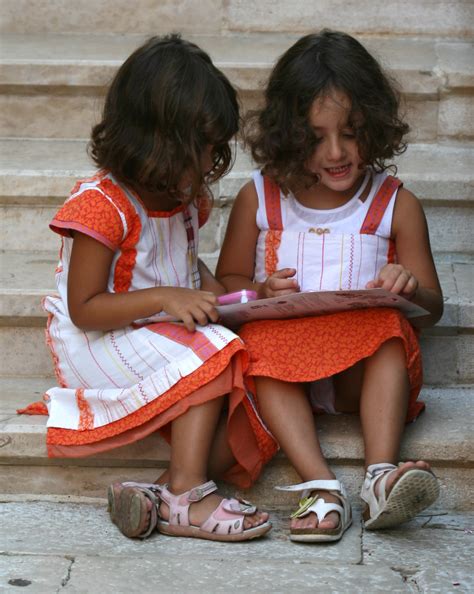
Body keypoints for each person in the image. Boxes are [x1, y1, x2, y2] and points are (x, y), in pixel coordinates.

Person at [39, 34, 275, 542]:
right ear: (158, 141)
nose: (213, 161)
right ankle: (189, 493)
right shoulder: (103, 205)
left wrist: (253, 294)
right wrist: (167, 300)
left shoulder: (183, 199)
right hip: (100, 341)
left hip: (156, 331)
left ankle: (160, 493)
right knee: (215, 353)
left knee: (253, 385)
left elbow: (194, 278)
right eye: (205, 148)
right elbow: (84, 308)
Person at [216, 30, 443, 543]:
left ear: (376, 124)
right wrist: (259, 289)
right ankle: (319, 486)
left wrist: (408, 290)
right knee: (257, 343)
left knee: (387, 326)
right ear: (288, 135)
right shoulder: (261, 199)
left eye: (352, 132)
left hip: (360, 380)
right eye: (316, 137)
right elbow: (225, 280)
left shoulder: (394, 203)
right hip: (282, 378)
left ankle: (381, 477)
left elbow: (432, 309)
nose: (336, 152)